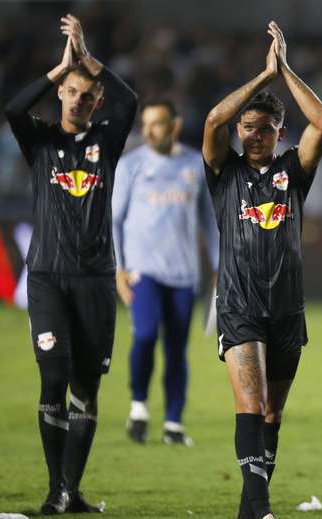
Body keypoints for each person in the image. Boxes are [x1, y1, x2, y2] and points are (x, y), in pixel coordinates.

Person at [202, 21, 322, 519]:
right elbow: (213, 119)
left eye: (264, 128)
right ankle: (265, 514)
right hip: (239, 305)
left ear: (281, 133)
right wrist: (261, 78)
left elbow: (321, 122)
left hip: (287, 310)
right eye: (247, 127)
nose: (252, 134)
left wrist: (286, 71)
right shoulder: (223, 171)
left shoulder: (292, 172)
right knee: (251, 407)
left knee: (273, 412)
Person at [5, 14, 137, 515]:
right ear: (60, 95)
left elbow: (131, 102)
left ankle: (68, 490)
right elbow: (12, 107)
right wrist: (59, 69)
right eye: (71, 92)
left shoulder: (108, 140)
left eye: (87, 95)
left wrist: (89, 61)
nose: (79, 100)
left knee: (86, 385)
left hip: (97, 280)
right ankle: (55, 486)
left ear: (96, 102)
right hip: (47, 277)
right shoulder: (39, 141)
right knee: (53, 375)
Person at [113, 99, 219, 446]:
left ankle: (174, 422)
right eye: (145, 123)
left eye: (156, 123)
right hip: (143, 271)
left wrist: (218, 266)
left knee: (177, 350)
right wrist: (119, 268)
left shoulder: (194, 164)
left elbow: (209, 221)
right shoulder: (130, 165)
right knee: (144, 336)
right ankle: (139, 405)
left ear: (175, 125)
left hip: (184, 274)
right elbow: (114, 220)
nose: (148, 130)